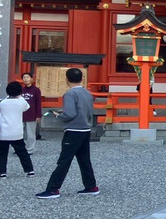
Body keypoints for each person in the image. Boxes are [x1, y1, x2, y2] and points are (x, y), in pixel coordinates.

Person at [36, 68, 97, 198]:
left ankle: (53, 189)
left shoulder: (69, 94)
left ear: (67, 79)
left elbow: (70, 114)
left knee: (64, 160)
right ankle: (91, 186)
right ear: (82, 78)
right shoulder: (87, 93)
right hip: (85, 129)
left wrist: (59, 116)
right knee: (84, 159)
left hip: (74, 130)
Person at [1, 81, 34, 178]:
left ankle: (2, 172)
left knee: (2, 153)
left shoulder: (3, 103)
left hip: (3, 132)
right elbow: (27, 107)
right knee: (22, 152)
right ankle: (29, 170)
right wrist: (20, 96)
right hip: (16, 132)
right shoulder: (21, 103)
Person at [20, 72, 42, 154]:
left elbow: (38, 103)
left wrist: (38, 115)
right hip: (21, 114)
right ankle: (20, 148)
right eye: (24, 77)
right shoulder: (21, 90)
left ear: (32, 79)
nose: (25, 79)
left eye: (27, 77)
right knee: (19, 133)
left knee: (30, 134)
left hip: (32, 114)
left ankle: (30, 148)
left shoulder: (36, 90)